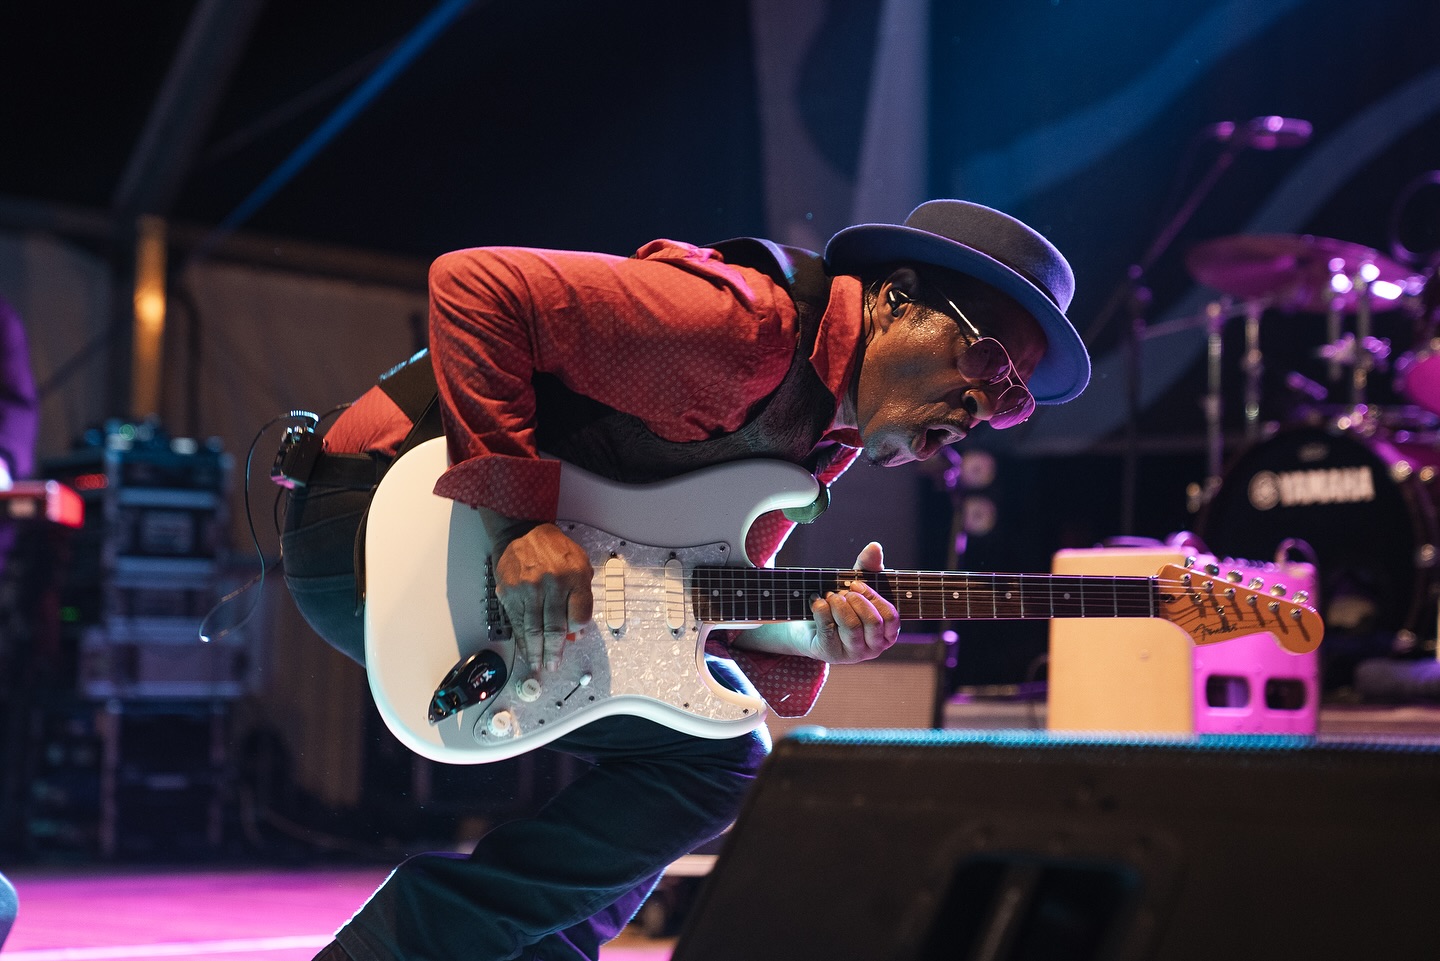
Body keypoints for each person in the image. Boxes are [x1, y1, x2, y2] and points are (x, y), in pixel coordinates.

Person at [280, 199, 1090, 961]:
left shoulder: (822, 436)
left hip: (435, 545)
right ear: (895, 299)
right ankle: (403, 944)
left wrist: (808, 633)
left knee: (715, 747)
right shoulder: (747, 330)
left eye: (1011, 399)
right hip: (377, 521)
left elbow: (689, 593)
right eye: (986, 358)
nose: (982, 404)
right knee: (716, 759)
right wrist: (519, 524)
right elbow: (474, 284)